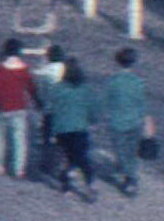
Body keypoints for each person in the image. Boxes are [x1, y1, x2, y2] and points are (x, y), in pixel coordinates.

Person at [92, 44, 150, 197]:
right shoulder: (138, 82)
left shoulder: (113, 81)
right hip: (135, 122)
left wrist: (95, 118)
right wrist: (146, 122)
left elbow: (103, 102)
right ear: (134, 62)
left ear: (117, 61)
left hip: (117, 122)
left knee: (120, 149)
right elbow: (142, 104)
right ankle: (129, 174)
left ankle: (130, 178)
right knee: (131, 151)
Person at [38, 55, 97, 200]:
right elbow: (92, 109)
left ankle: (67, 183)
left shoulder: (59, 89)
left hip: (63, 130)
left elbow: (54, 110)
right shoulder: (86, 89)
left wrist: (52, 131)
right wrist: (93, 121)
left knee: (69, 157)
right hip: (80, 129)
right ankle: (89, 185)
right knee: (82, 158)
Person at [0, 41, 37, 178]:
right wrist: (37, 102)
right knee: (19, 141)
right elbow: (31, 88)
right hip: (19, 108)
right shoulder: (24, 70)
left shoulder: (0, 70)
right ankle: (18, 169)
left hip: (2, 108)